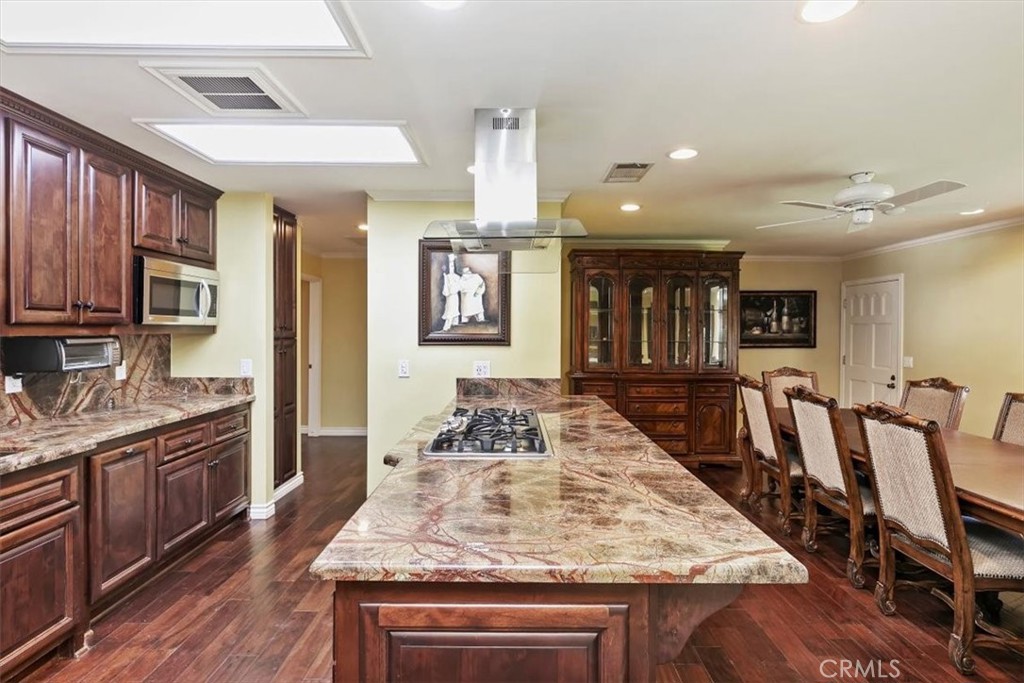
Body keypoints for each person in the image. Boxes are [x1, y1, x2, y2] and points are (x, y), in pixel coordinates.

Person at [440, 255, 461, 331]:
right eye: (450, 265)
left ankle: (453, 324)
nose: (451, 267)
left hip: (454, 295)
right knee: (449, 308)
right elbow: (446, 287)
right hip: (449, 296)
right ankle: (449, 325)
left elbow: (459, 286)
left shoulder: (457, 277)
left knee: (453, 308)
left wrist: (453, 289)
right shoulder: (447, 276)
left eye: (452, 265)